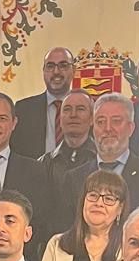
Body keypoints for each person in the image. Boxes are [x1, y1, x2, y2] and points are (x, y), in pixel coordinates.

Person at [58, 92, 139, 217]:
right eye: (100, 122)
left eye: (116, 121)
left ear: (131, 128)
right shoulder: (73, 179)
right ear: (93, 129)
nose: (108, 128)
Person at [40, 168, 128, 261]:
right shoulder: (57, 245)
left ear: (120, 209)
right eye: (93, 195)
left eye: (109, 199)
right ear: (83, 202)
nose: (99, 203)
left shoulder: (129, 251)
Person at [34, 88, 100, 250]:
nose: (73, 115)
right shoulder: (44, 163)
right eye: (67, 110)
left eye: (80, 109)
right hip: (55, 248)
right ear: (60, 118)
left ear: (92, 119)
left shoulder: (102, 163)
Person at [11, 45, 76, 158]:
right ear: (43, 71)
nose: (56, 71)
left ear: (74, 70)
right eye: (50, 66)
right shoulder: (23, 110)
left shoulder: (88, 107)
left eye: (63, 65)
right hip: (34, 174)